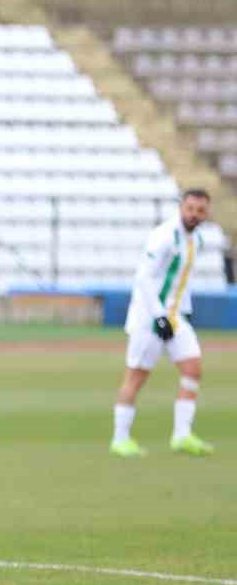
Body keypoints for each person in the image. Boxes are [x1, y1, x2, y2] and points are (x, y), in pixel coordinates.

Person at [110, 189, 216, 458]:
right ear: (182, 206)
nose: (194, 214)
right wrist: (158, 314)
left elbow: (182, 280)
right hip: (149, 317)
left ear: (206, 212)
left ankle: (182, 435)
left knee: (193, 369)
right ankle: (120, 439)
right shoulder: (164, 236)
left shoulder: (196, 240)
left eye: (200, 210)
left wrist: (183, 312)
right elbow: (143, 278)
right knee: (136, 377)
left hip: (175, 317)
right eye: (190, 208)